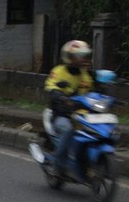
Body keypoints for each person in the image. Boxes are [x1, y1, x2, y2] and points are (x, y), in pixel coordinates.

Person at [44, 40, 94, 175]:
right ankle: (57, 162)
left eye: (85, 56)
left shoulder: (87, 74)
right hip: (62, 113)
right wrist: (61, 96)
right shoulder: (58, 71)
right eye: (79, 56)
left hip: (82, 114)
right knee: (67, 129)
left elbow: (95, 91)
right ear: (69, 57)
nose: (83, 59)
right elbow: (51, 86)